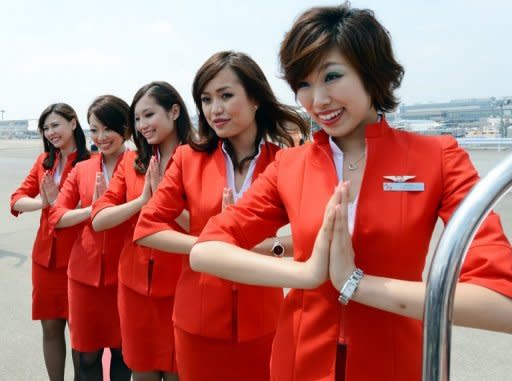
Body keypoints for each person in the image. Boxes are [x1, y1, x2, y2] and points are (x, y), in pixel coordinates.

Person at [190, 5, 512, 381]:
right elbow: (205, 250)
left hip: (394, 364)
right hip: (298, 364)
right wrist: (307, 274)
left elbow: (501, 303)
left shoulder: (437, 157)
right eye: (304, 85)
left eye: (332, 76)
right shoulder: (289, 166)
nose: (318, 100)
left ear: (370, 72)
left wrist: (355, 284)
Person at [133, 51, 308, 381]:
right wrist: (214, 246)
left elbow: (310, 233)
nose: (215, 109)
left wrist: (267, 247)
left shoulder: (287, 161)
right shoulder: (188, 158)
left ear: (255, 97)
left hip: (264, 320)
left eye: (226, 96)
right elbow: (147, 228)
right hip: (198, 320)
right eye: (206, 99)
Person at [91, 82, 191, 381]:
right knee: (142, 374)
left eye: (149, 115)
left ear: (174, 111)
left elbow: (211, 227)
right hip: (134, 289)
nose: (142, 125)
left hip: (181, 289)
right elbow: (99, 218)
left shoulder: (198, 159)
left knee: (178, 373)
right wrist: (141, 201)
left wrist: (166, 201)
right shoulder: (131, 163)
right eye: (137, 118)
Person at [48, 95, 132, 381]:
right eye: (94, 129)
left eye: (108, 128)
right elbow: (56, 217)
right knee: (86, 356)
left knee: (124, 354)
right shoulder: (82, 169)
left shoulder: (141, 166)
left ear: (126, 128)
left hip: (126, 278)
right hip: (84, 278)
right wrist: (91, 211)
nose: (101, 137)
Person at [10, 103, 89, 381]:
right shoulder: (44, 161)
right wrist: (42, 202)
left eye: (56, 125)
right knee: (51, 329)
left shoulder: (91, 161)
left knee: (82, 336)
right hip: (45, 260)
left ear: (73, 123)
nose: (50, 132)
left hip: (80, 259)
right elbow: (16, 199)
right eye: (45, 128)